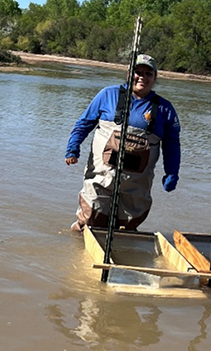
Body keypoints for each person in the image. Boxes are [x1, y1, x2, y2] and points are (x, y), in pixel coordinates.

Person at [64, 55, 181, 232]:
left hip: (137, 182)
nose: (142, 77)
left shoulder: (165, 109)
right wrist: (73, 148)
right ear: (128, 74)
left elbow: (172, 145)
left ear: (155, 78)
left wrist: (172, 172)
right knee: (90, 219)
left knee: (128, 226)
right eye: (137, 72)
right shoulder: (107, 95)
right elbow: (84, 123)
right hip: (102, 175)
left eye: (148, 73)